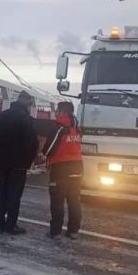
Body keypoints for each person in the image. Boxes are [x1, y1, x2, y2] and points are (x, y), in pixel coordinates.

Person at [0, 90, 39, 235]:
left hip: (2, 162)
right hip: (18, 164)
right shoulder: (26, 120)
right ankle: (11, 226)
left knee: (2, 192)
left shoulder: (1, 116)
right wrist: (28, 161)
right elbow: (32, 144)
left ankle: (0, 225)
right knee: (14, 194)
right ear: (28, 104)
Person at [41, 101, 83, 239]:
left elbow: (49, 148)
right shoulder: (76, 128)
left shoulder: (59, 127)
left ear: (62, 112)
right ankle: (73, 231)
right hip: (77, 167)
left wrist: (43, 154)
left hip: (61, 169)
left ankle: (56, 231)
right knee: (74, 200)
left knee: (58, 200)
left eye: (58, 110)